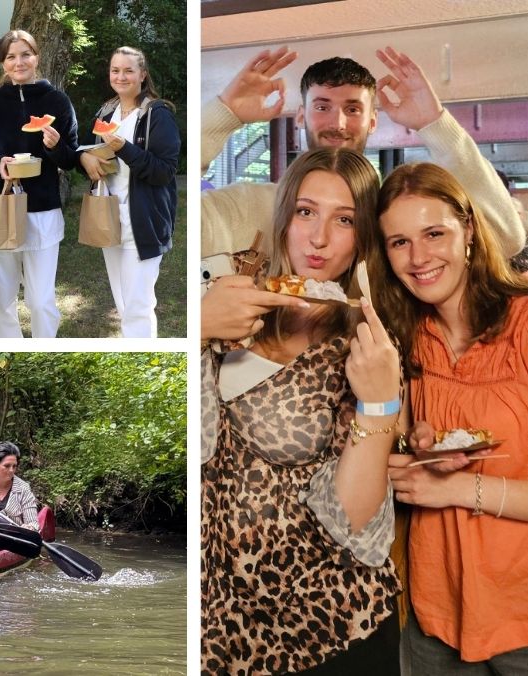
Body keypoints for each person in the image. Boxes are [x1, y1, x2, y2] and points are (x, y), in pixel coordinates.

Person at [201, 147, 402, 674]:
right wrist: (196, 332)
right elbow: (194, 451)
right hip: (224, 630)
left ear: (363, 238)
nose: (318, 238)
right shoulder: (225, 303)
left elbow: (352, 522)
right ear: (283, 214)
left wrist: (381, 403)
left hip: (329, 625)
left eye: (344, 220)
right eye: (306, 212)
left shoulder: (368, 340)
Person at [372, 162, 528, 670]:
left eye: (433, 233)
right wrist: (414, 454)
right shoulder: (407, 334)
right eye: (399, 242)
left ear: (469, 231)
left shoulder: (523, 322)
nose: (419, 258)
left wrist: (457, 489)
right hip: (433, 618)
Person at [201, 46, 525, 260]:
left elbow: (506, 239)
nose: (338, 123)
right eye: (322, 106)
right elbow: (172, 219)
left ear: (372, 121)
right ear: (301, 115)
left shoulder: (396, 212)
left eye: (352, 109)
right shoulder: (252, 205)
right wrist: (221, 117)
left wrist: (436, 125)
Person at [0, 29, 79, 338]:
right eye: (10, 57)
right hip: (2, 209)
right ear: (3, 64)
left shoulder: (58, 101)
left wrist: (55, 146)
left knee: (41, 299)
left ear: (37, 57)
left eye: (24, 54)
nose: (18, 62)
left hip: (42, 211)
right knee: (3, 298)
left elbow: (70, 160)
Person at [77, 46, 180, 338]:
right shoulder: (106, 111)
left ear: (142, 75)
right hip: (110, 218)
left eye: (128, 70)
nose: (120, 76)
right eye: (115, 70)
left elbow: (164, 171)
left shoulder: (157, 115)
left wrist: (125, 148)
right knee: (123, 305)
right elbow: (85, 151)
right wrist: (84, 158)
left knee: (138, 307)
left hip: (144, 222)